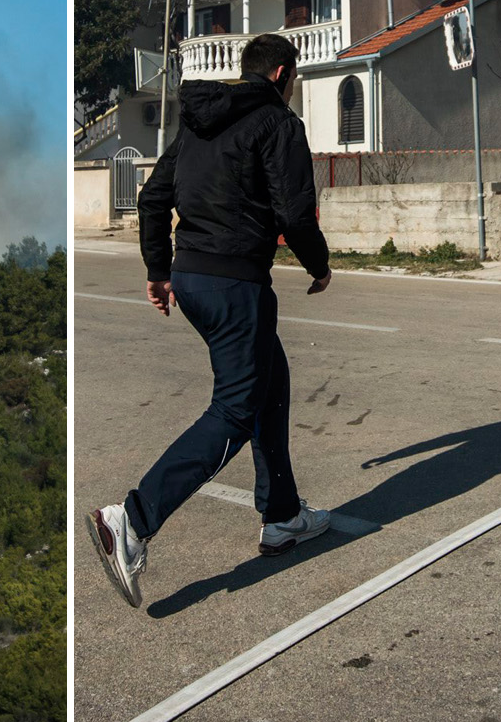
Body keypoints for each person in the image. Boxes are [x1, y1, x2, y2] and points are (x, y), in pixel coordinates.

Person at [86, 33, 334, 609]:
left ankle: (282, 516)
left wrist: (158, 268)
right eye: (291, 78)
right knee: (234, 409)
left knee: (270, 384)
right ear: (280, 74)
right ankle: (133, 519)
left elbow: (152, 198)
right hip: (236, 285)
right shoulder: (278, 124)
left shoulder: (199, 120)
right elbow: (294, 211)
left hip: (194, 277)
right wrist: (319, 267)